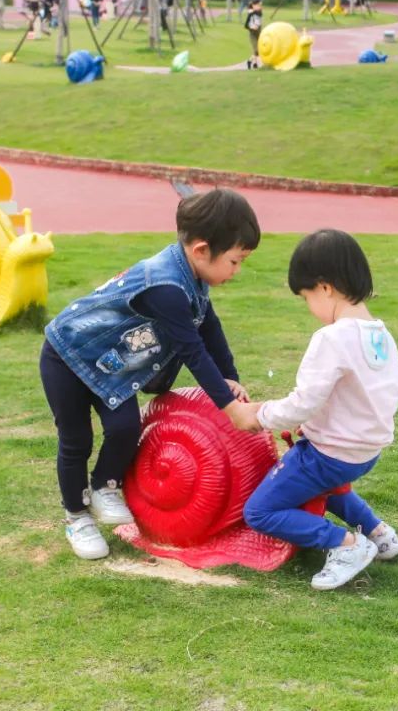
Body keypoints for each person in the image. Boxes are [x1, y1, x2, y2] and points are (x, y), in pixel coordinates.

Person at [40, 189, 261, 560]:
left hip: (110, 366)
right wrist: (228, 408)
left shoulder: (193, 278)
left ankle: (103, 487)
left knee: (125, 427)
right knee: (76, 440)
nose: (236, 272)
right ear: (201, 250)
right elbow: (192, 350)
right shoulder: (166, 287)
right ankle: (76, 516)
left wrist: (230, 378)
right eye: (235, 262)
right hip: (67, 357)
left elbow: (209, 328)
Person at [234, 229, 398, 591]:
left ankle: (347, 545)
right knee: (333, 488)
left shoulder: (331, 337)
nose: (310, 307)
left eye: (306, 297)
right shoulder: (380, 335)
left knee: (260, 511)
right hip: (365, 452)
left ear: (325, 288)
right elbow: (366, 395)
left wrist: (259, 415)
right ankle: (379, 533)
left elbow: (304, 402)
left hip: (330, 453)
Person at [244, 0, 262, 69]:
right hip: (253, 33)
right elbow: (246, 25)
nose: (260, 6)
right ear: (253, 5)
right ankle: (252, 62)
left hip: (259, 32)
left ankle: (254, 63)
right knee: (256, 50)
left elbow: (259, 15)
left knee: (258, 51)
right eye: (258, 5)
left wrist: (254, 11)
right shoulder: (250, 14)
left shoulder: (259, 12)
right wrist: (252, 27)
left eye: (260, 5)